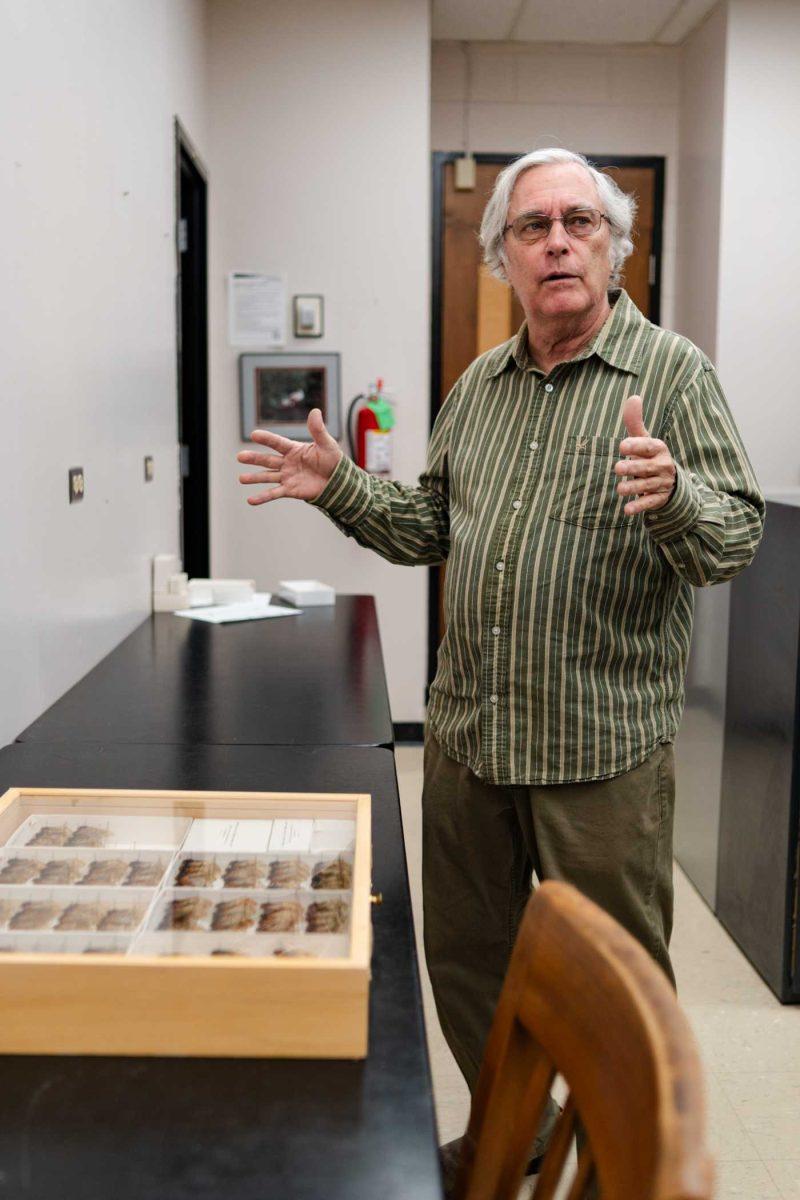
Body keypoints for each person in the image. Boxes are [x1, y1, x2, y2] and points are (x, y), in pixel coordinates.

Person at [237, 147, 764, 1174]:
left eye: (579, 223)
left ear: (613, 252)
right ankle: (511, 1130)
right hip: (471, 743)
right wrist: (339, 485)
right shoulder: (476, 387)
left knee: (617, 998)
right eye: (532, 227)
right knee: (472, 968)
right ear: (502, 259)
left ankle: (625, 1169)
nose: (557, 240)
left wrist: (674, 499)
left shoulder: (671, 374)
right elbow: (431, 525)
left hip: (600, 751)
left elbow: (731, 540)